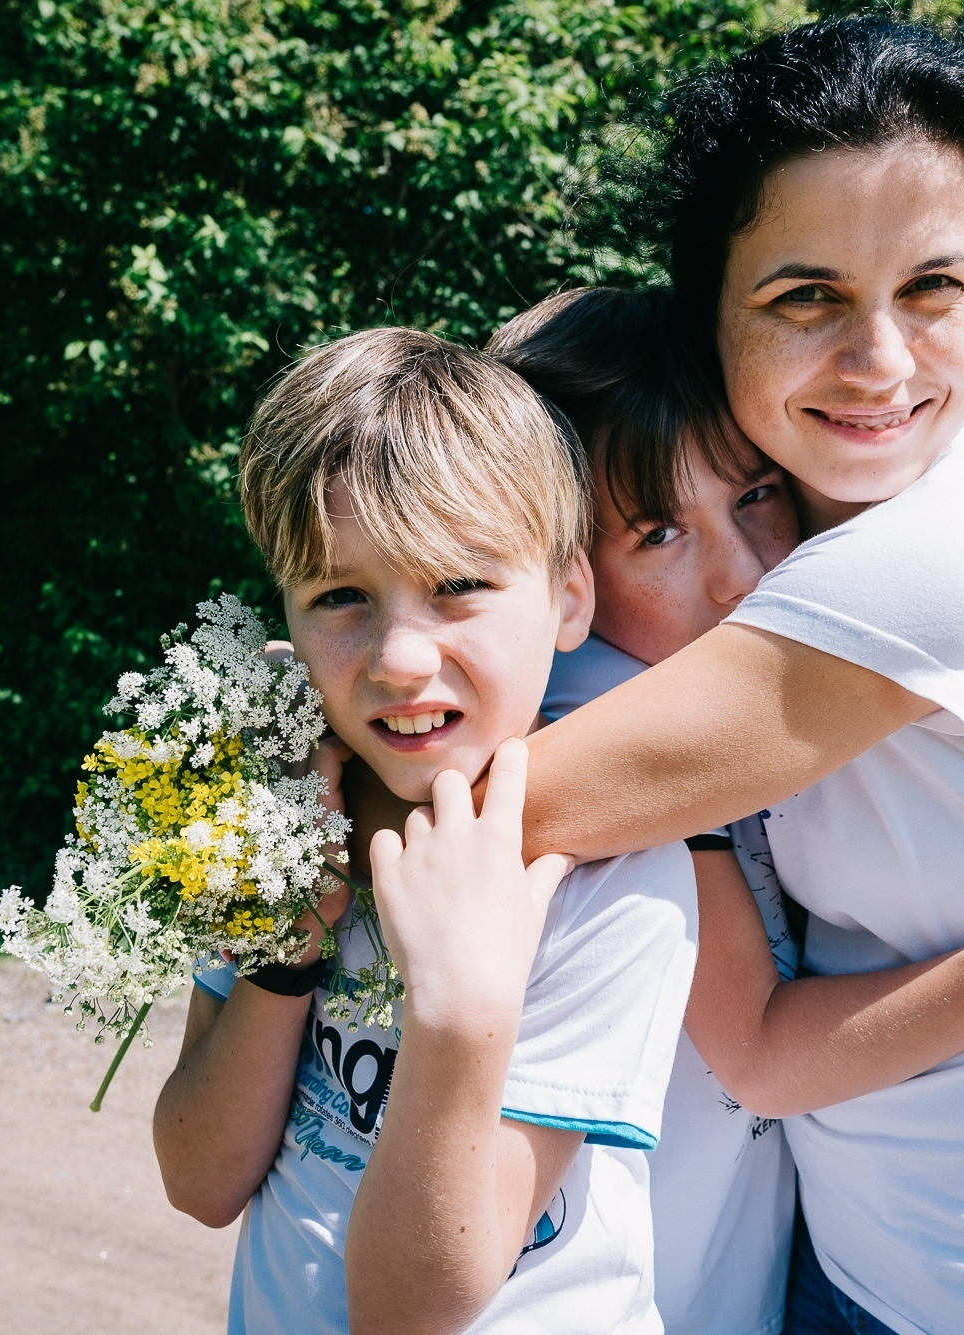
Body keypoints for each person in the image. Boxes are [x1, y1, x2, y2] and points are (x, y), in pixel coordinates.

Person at [516, 20, 964, 1335]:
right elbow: (545, 395)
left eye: (936, 289)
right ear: (711, 312)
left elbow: (513, 801)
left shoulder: (961, 544)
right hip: (842, 1264)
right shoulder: (803, 521)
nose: (883, 363)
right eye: (807, 295)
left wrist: (269, 739)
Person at [152, 328, 699, 1335]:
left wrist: (456, 1012)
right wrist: (289, 944)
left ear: (568, 597)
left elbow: (412, 1308)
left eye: (458, 585)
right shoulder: (275, 823)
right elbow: (198, 1177)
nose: (401, 658)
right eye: (340, 596)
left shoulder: (605, 885)